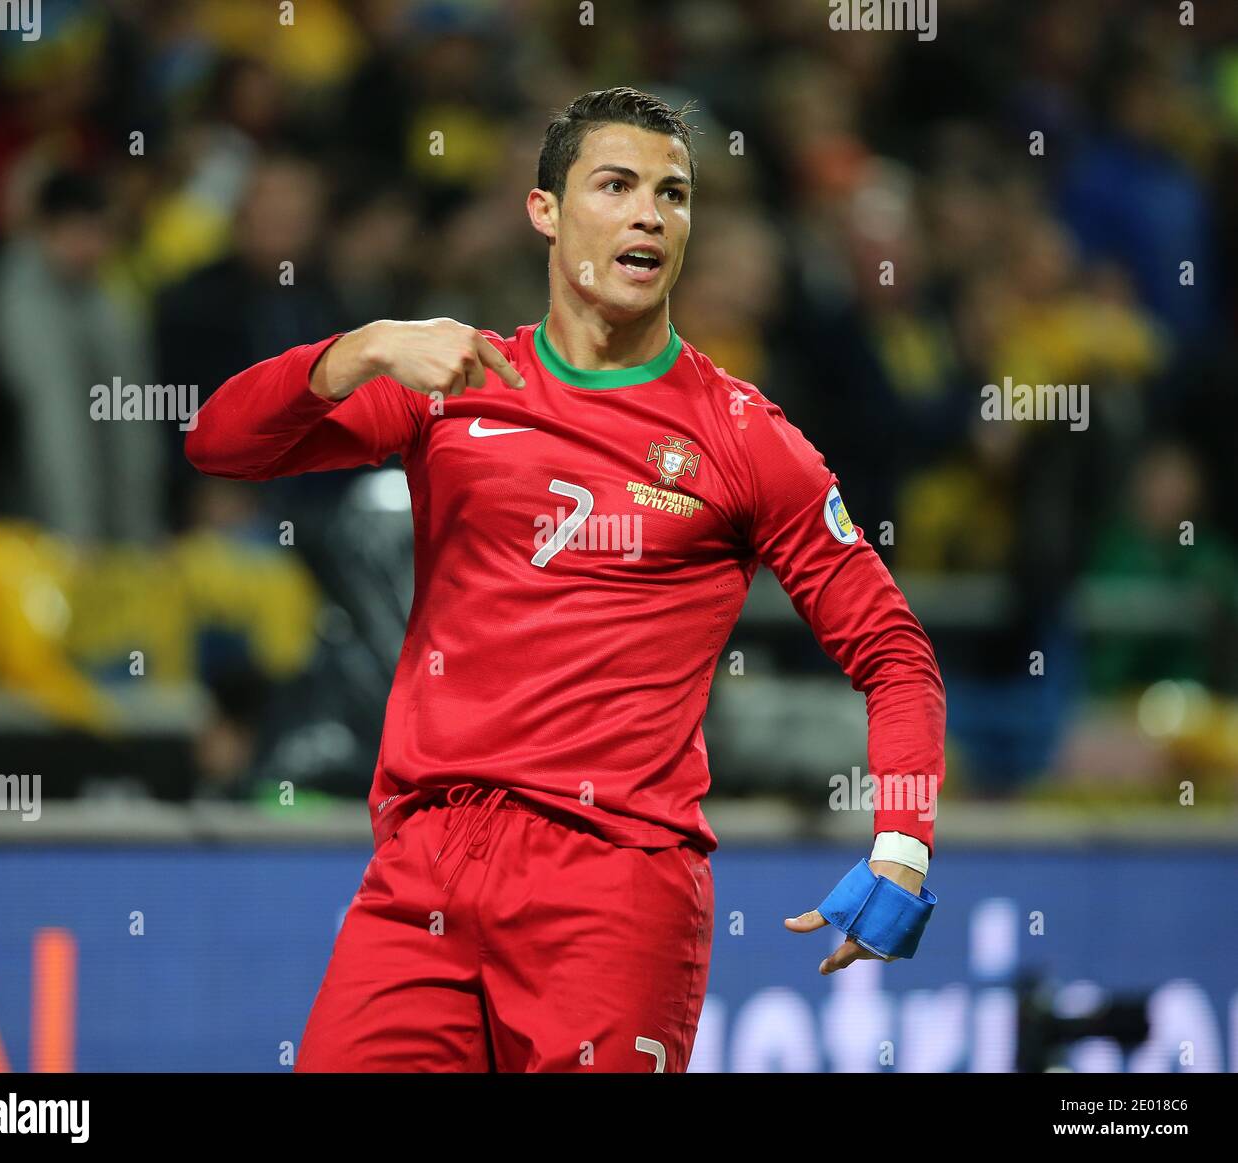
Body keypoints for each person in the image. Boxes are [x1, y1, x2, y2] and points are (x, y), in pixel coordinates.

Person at [185, 87, 945, 1073]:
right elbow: (219, 442)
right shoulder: (454, 385)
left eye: (672, 195)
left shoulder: (746, 438)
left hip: (615, 885)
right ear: (545, 210)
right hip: (423, 866)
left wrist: (902, 847)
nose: (648, 214)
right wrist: (357, 349)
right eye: (616, 185)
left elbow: (894, 654)